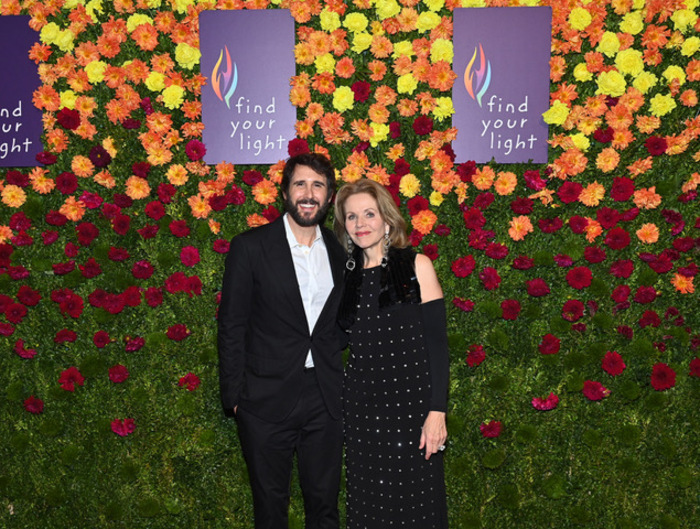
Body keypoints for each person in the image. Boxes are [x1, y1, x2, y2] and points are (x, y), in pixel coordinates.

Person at [218, 153, 346, 529]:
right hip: (263, 398)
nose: (309, 194)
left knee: (324, 507)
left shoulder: (341, 253)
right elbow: (231, 325)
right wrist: (235, 399)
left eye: (318, 185)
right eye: (300, 184)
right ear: (285, 192)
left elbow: (339, 324)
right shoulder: (251, 247)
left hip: (324, 397)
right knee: (270, 508)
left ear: (329, 196)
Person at [334, 178, 449, 528]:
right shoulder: (346, 277)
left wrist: (437, 411)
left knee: (417, 507)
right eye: (351, 217)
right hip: (362, 415)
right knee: (369, 508)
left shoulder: (417, 266)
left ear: (386, 218)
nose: (360, 224)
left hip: (412, 412)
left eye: (369, 213)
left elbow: (437, 346)